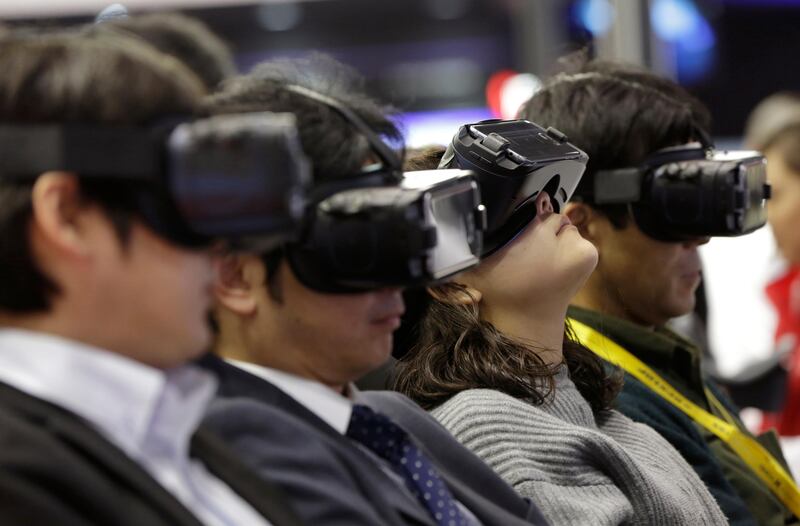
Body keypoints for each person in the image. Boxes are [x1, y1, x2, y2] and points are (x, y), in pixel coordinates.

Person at [202, 55, 548, 526]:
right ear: (237, 277)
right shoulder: (234, 464)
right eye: (356, 243)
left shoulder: (390, 418)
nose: (398, 280)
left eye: (399, 235)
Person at [0, 30, 301, 525]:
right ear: (67, 216)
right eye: (182, 197)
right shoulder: (15, 478)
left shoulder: (168, 425)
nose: (218, 246)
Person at [392, 135, 728, 525]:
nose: (547, 202)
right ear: (453, 285)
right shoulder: (482, 427)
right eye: (508, 205)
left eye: (544, 190)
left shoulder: (597, 415)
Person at [519, 58, 796, 524]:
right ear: (581, 226)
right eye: (673, 207)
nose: (699, 237)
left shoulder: (660, 359)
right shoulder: (604, 397)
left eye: (699, 199)